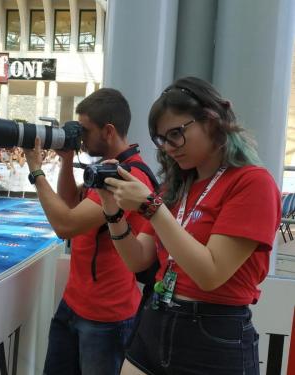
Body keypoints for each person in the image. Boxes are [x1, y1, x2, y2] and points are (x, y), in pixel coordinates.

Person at [97, 77, 281, 375]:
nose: (169, 147)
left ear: (211, 121)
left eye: (176, 134)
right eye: (162, 139)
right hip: (157, 317)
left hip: (213, 334)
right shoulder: (178, 185)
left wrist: (151, 208)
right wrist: (112, 210)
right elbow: (137, 258)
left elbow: (210, 273)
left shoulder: (252, 183)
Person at [23, 88, 156, 375]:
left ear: (108, 131)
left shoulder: (128, 176)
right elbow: (71, 202)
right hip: (73, 304)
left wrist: (36, 171)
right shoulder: (105, 169)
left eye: (85, 129)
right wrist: (66, 160)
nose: (79, 136)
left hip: (106, 318)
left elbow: (66, 225)